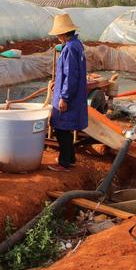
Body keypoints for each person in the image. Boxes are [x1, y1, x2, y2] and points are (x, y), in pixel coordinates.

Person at [47, 14, 88, 172]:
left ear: (63, 33)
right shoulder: (77, 45)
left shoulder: (70, 48)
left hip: (69, 95)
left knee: (61, 127)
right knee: (66, 127)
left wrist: (64, 97)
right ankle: (70, 158)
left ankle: (64, 162)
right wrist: (57, 83)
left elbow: (70, 74)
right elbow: (68, 73)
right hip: (73, 93)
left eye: (58, 33)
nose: (57, 36)